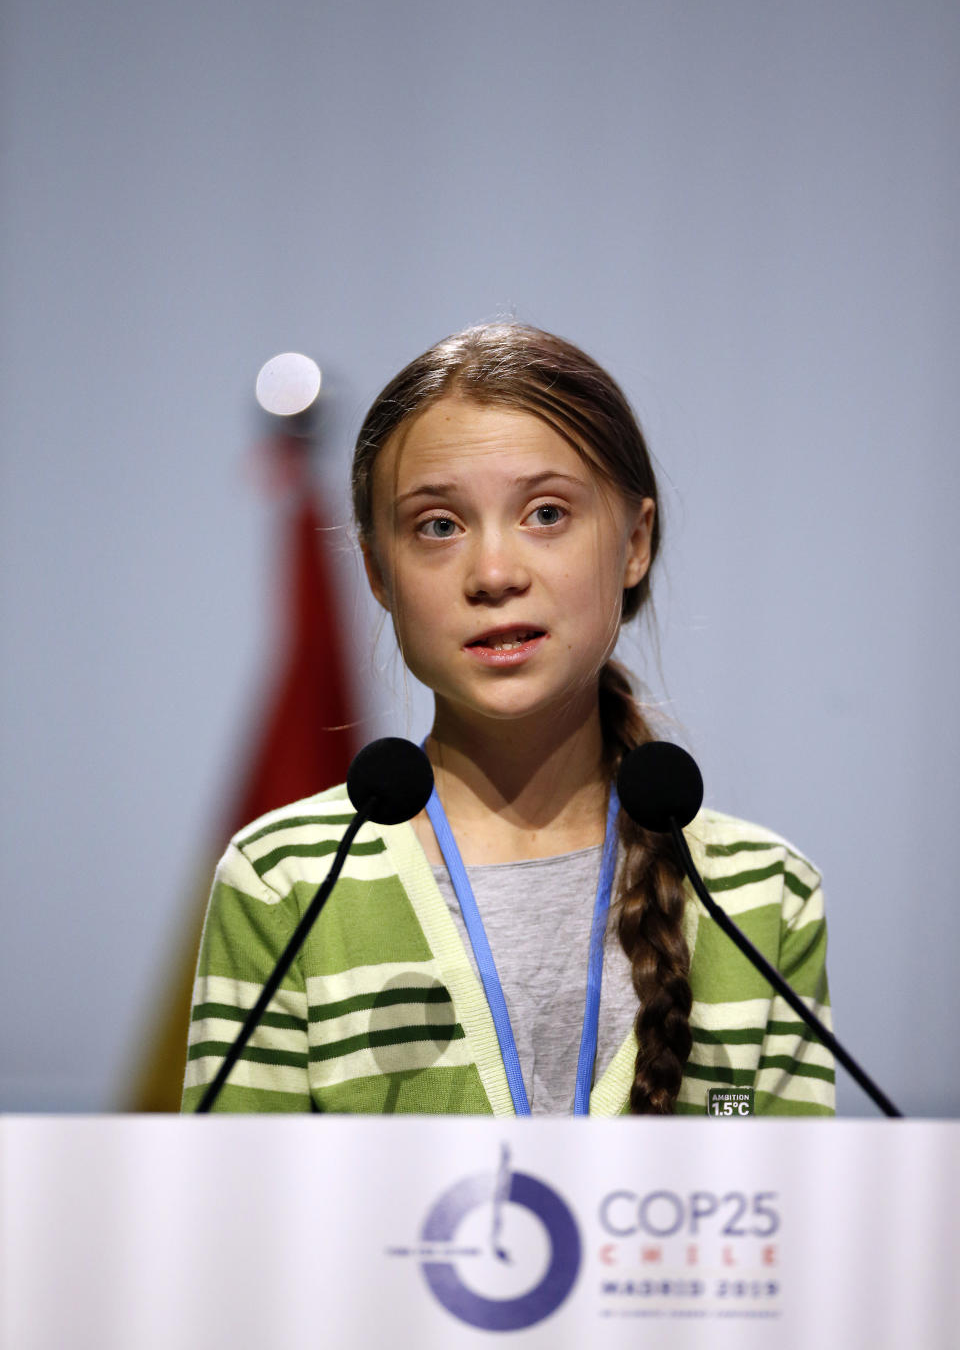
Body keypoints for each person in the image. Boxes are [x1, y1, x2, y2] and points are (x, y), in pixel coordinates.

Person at [181, 323, 834, 1116]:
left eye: (547, 513)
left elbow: (790, 1229)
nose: (493, 574)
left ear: (634, 542)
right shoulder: (285, 881)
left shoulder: (761, 895)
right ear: (379, 573)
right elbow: (235, 1220)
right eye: (438, 526)